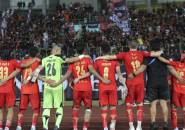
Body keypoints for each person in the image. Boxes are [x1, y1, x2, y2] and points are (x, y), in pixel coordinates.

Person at [96, 40, 162, 130]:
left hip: (130, 82)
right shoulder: (142, 53)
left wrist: (99, 58)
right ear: (137, 46)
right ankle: (138, 126)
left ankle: (131, 126)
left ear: (129, 46)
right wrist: (162, 51)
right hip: (140, 83)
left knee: (128, 104)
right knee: (140, 104)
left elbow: (110, 57)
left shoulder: (124, 54)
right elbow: (155, 54)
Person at [49, 45, 110, 130]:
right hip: (86, 87)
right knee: (88, 109)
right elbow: (92, 71)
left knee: (75, 108)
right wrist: (101, 79)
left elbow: (67, 75)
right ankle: (85, 127)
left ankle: (75, 128)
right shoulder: (88, 59)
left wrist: (58, 83)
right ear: (84, 51)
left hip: (77, 88)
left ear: (76, 52)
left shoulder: (73, 61)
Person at [128, 38, 183, 130]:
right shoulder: (164, 55)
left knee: (152, 104)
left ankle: (153, 124)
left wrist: (133, 74)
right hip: (163, 83)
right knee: (164, 103)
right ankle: (165, 124)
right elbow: (171, 69)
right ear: (159, 46)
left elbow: (142, 68)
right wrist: (179, 77)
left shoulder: (149, 57)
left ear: (151, 46)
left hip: (152, 83)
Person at [41, 45, 91, 130]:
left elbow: (36, 72)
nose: (61, 51)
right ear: (55, 50)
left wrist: (44, 79)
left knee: (47, 107)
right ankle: (57, 125)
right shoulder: (59, 59)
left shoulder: (44, 60)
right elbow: (69, 60)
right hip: (57, 86)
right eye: (59, 50)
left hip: (47, 86)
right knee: (59, 107)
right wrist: (83, 56)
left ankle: (45, 126)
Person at [0, 50, 37, 130]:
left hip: (0, 89)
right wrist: (34, 59)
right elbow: (24, 65)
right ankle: (7, 127)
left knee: (0, 109)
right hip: (9, 89)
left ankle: (0, 127)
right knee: (10, 109)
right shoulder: (13, 62)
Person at [94, 44, 127, 130]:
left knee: (104, 107)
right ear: (110, 51)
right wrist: (125, 85)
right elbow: (119, 75)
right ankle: (113, 124)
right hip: (112, 86)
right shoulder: (115, 61)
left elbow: (92, 71)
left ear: (102, 51)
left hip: (102, 86)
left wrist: (101, 78)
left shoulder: (98, 61)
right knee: (113, 106)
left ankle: (105, 127)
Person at [16, 47, 41, 130]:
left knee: (22, 109)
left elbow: (19, 70)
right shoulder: (37, 61)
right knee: (36, 109)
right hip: (33, 88)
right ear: (36, 53)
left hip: (24, 89)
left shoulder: (23, 61)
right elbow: (36, 74)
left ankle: (19, 126)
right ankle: (33, 126)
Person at [157, 54, 185, 130]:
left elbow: (165, 61)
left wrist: (158, 56)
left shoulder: (175, 64)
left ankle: (175, 128)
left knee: (174, 109)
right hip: (184, 91)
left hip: (176, 91)